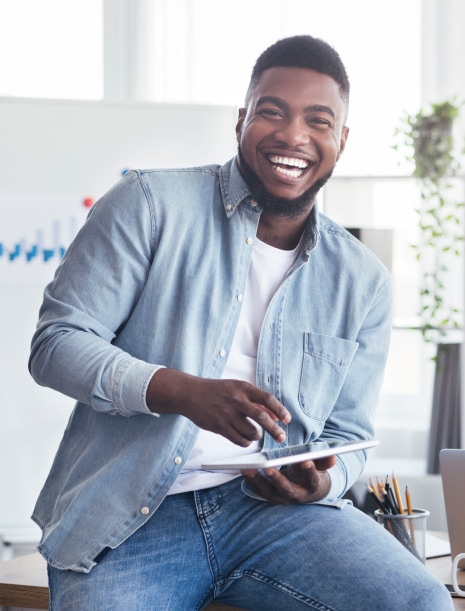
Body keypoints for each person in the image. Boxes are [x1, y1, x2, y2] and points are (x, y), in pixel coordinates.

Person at [29, 35, 452, 610]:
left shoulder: (363, 281)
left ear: (341, 141)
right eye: (272, 111)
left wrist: (320, 481)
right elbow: (56, 344)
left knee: (421, 603)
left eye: (318, 121)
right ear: (241, 120)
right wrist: (182, 392)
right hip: (136, 516)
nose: (293, 136)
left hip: (276, 518)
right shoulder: (149, 205)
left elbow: (350, 436)